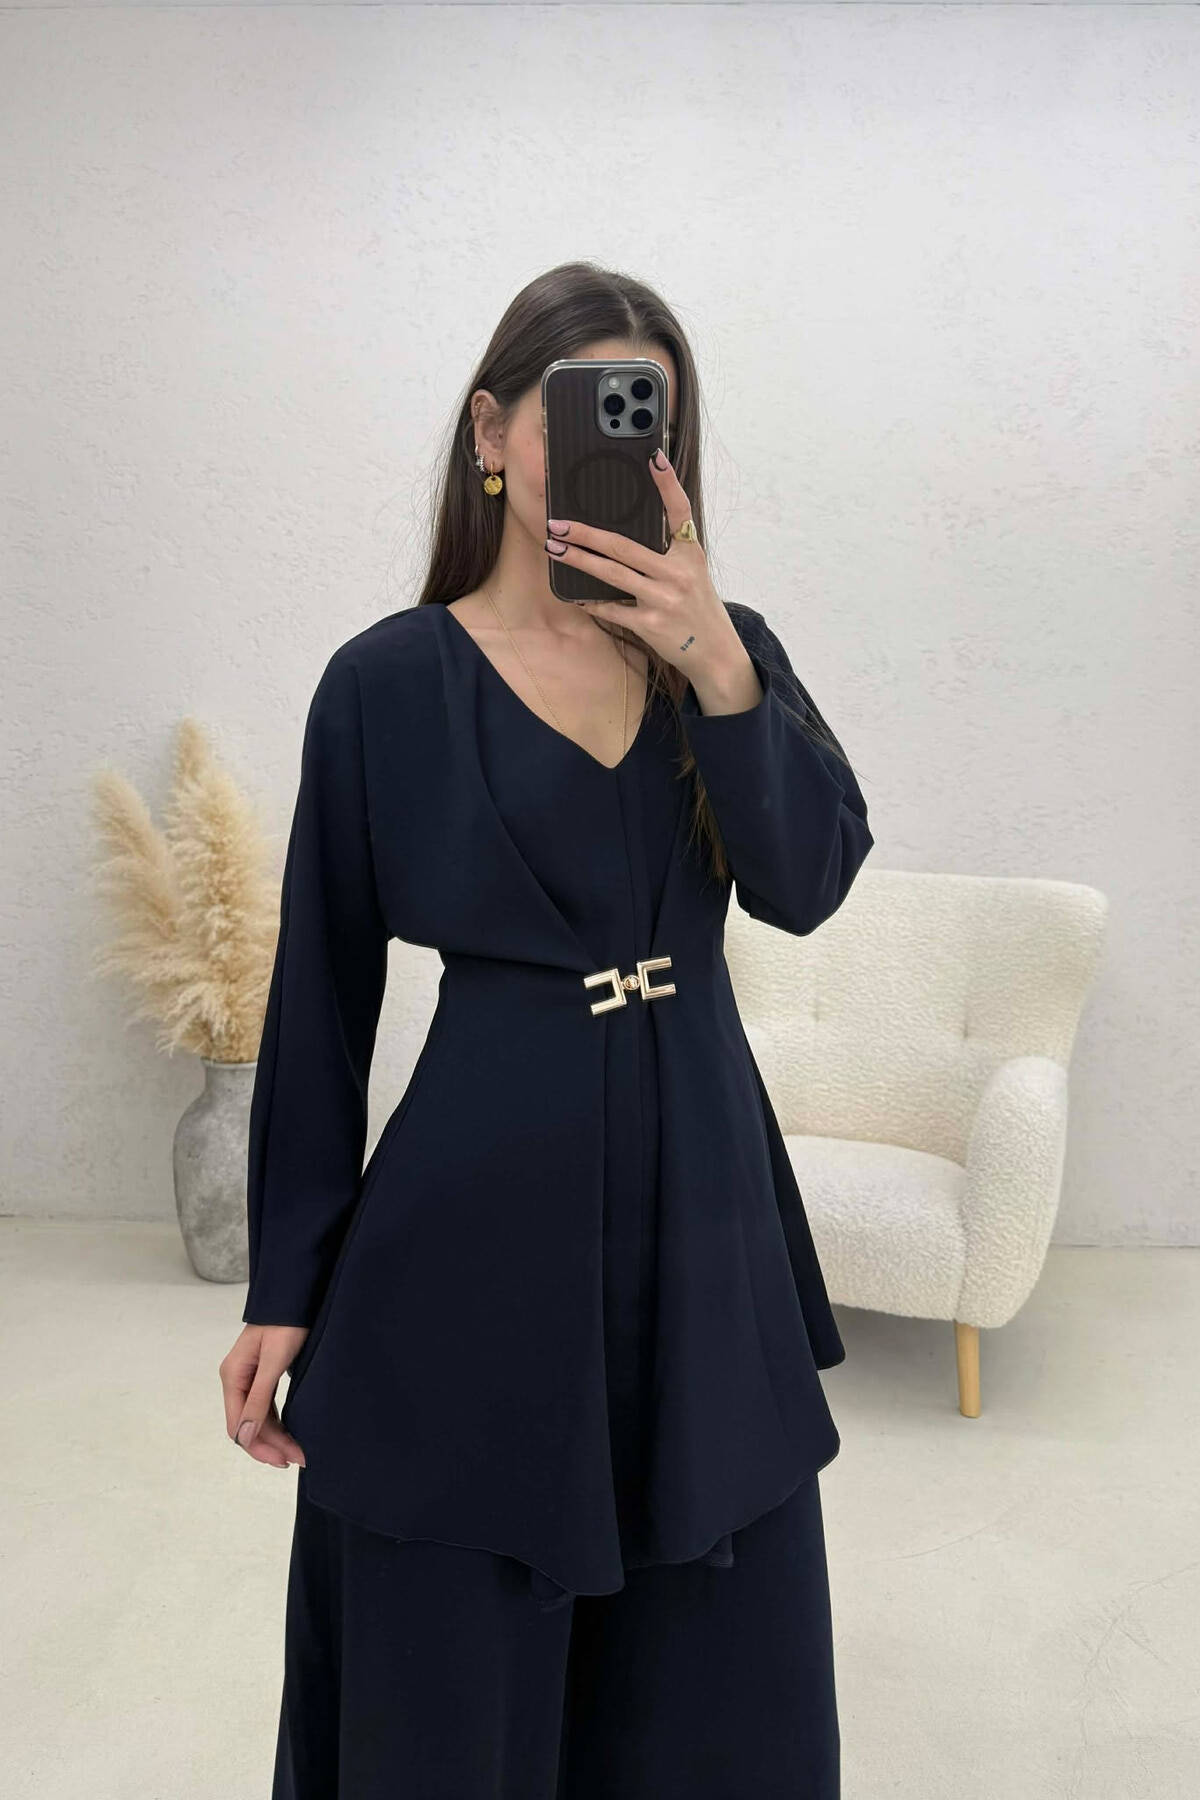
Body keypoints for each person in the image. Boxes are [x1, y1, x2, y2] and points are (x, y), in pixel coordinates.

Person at [218, 259, 874, 1799]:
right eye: (587, 408)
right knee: (454, 1659)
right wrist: (285, 1284)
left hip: (704, 1203)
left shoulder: (728, 653)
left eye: (653, 420)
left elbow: (809, 884)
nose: (624, 446)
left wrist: (718, 666)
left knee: (718, 1664)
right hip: (474, 1216)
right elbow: (321, 995)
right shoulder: (384, 684)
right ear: (492, 433)